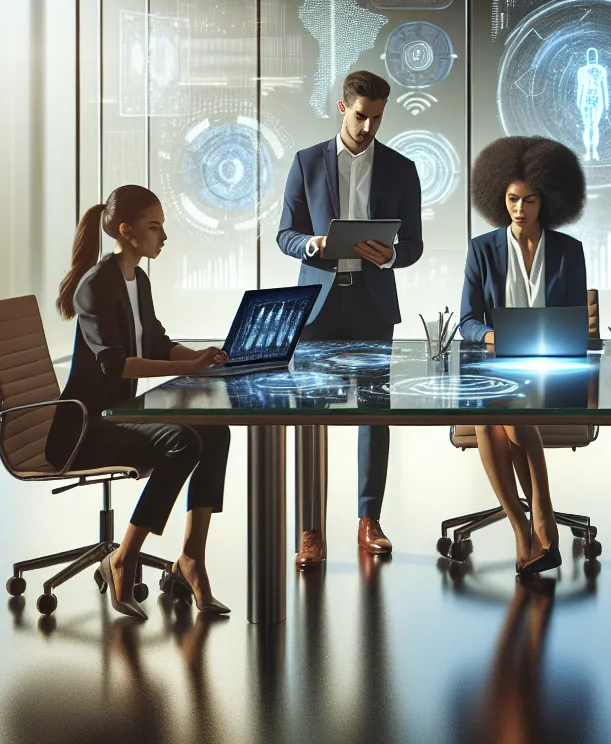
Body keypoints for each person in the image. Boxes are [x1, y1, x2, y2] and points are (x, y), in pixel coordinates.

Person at [54, 184, 233, 619]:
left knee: (214, 432)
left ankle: (191, 560)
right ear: (125, 230)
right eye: (154, 228)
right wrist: (187, 370)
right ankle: (122, 559)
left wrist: (202, 357)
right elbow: (115, 365)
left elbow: (155, 341)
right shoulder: (95, 286)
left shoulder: (137, 279)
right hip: (84, 429)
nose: (163, 238)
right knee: (184, 442)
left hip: (121, 417)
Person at [277, 70, 424, 563]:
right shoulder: (306, 163)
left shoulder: (402, 170)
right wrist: (311, 243)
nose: (368, 127)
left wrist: (390, 256)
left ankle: (368, 520)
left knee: (373, 415)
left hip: (372, 302)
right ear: (343, 108)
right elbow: (285, 235)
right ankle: (310, 532)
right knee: (309, 419)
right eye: (362, 116)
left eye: (378, 118)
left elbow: (416, 246)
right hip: (317, 306)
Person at [458, 136, 589, 576]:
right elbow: (467, 322)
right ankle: (526, 526)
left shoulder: (569, 251)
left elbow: (576, 325)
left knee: (501, 410)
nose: (519, 209)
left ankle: (540, 518)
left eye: (529, 200)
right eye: (512, 199)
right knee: (491, 415)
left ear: (546, 200)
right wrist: (494, 337)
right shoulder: (482, 249)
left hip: (553, 372)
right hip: (501, 365)